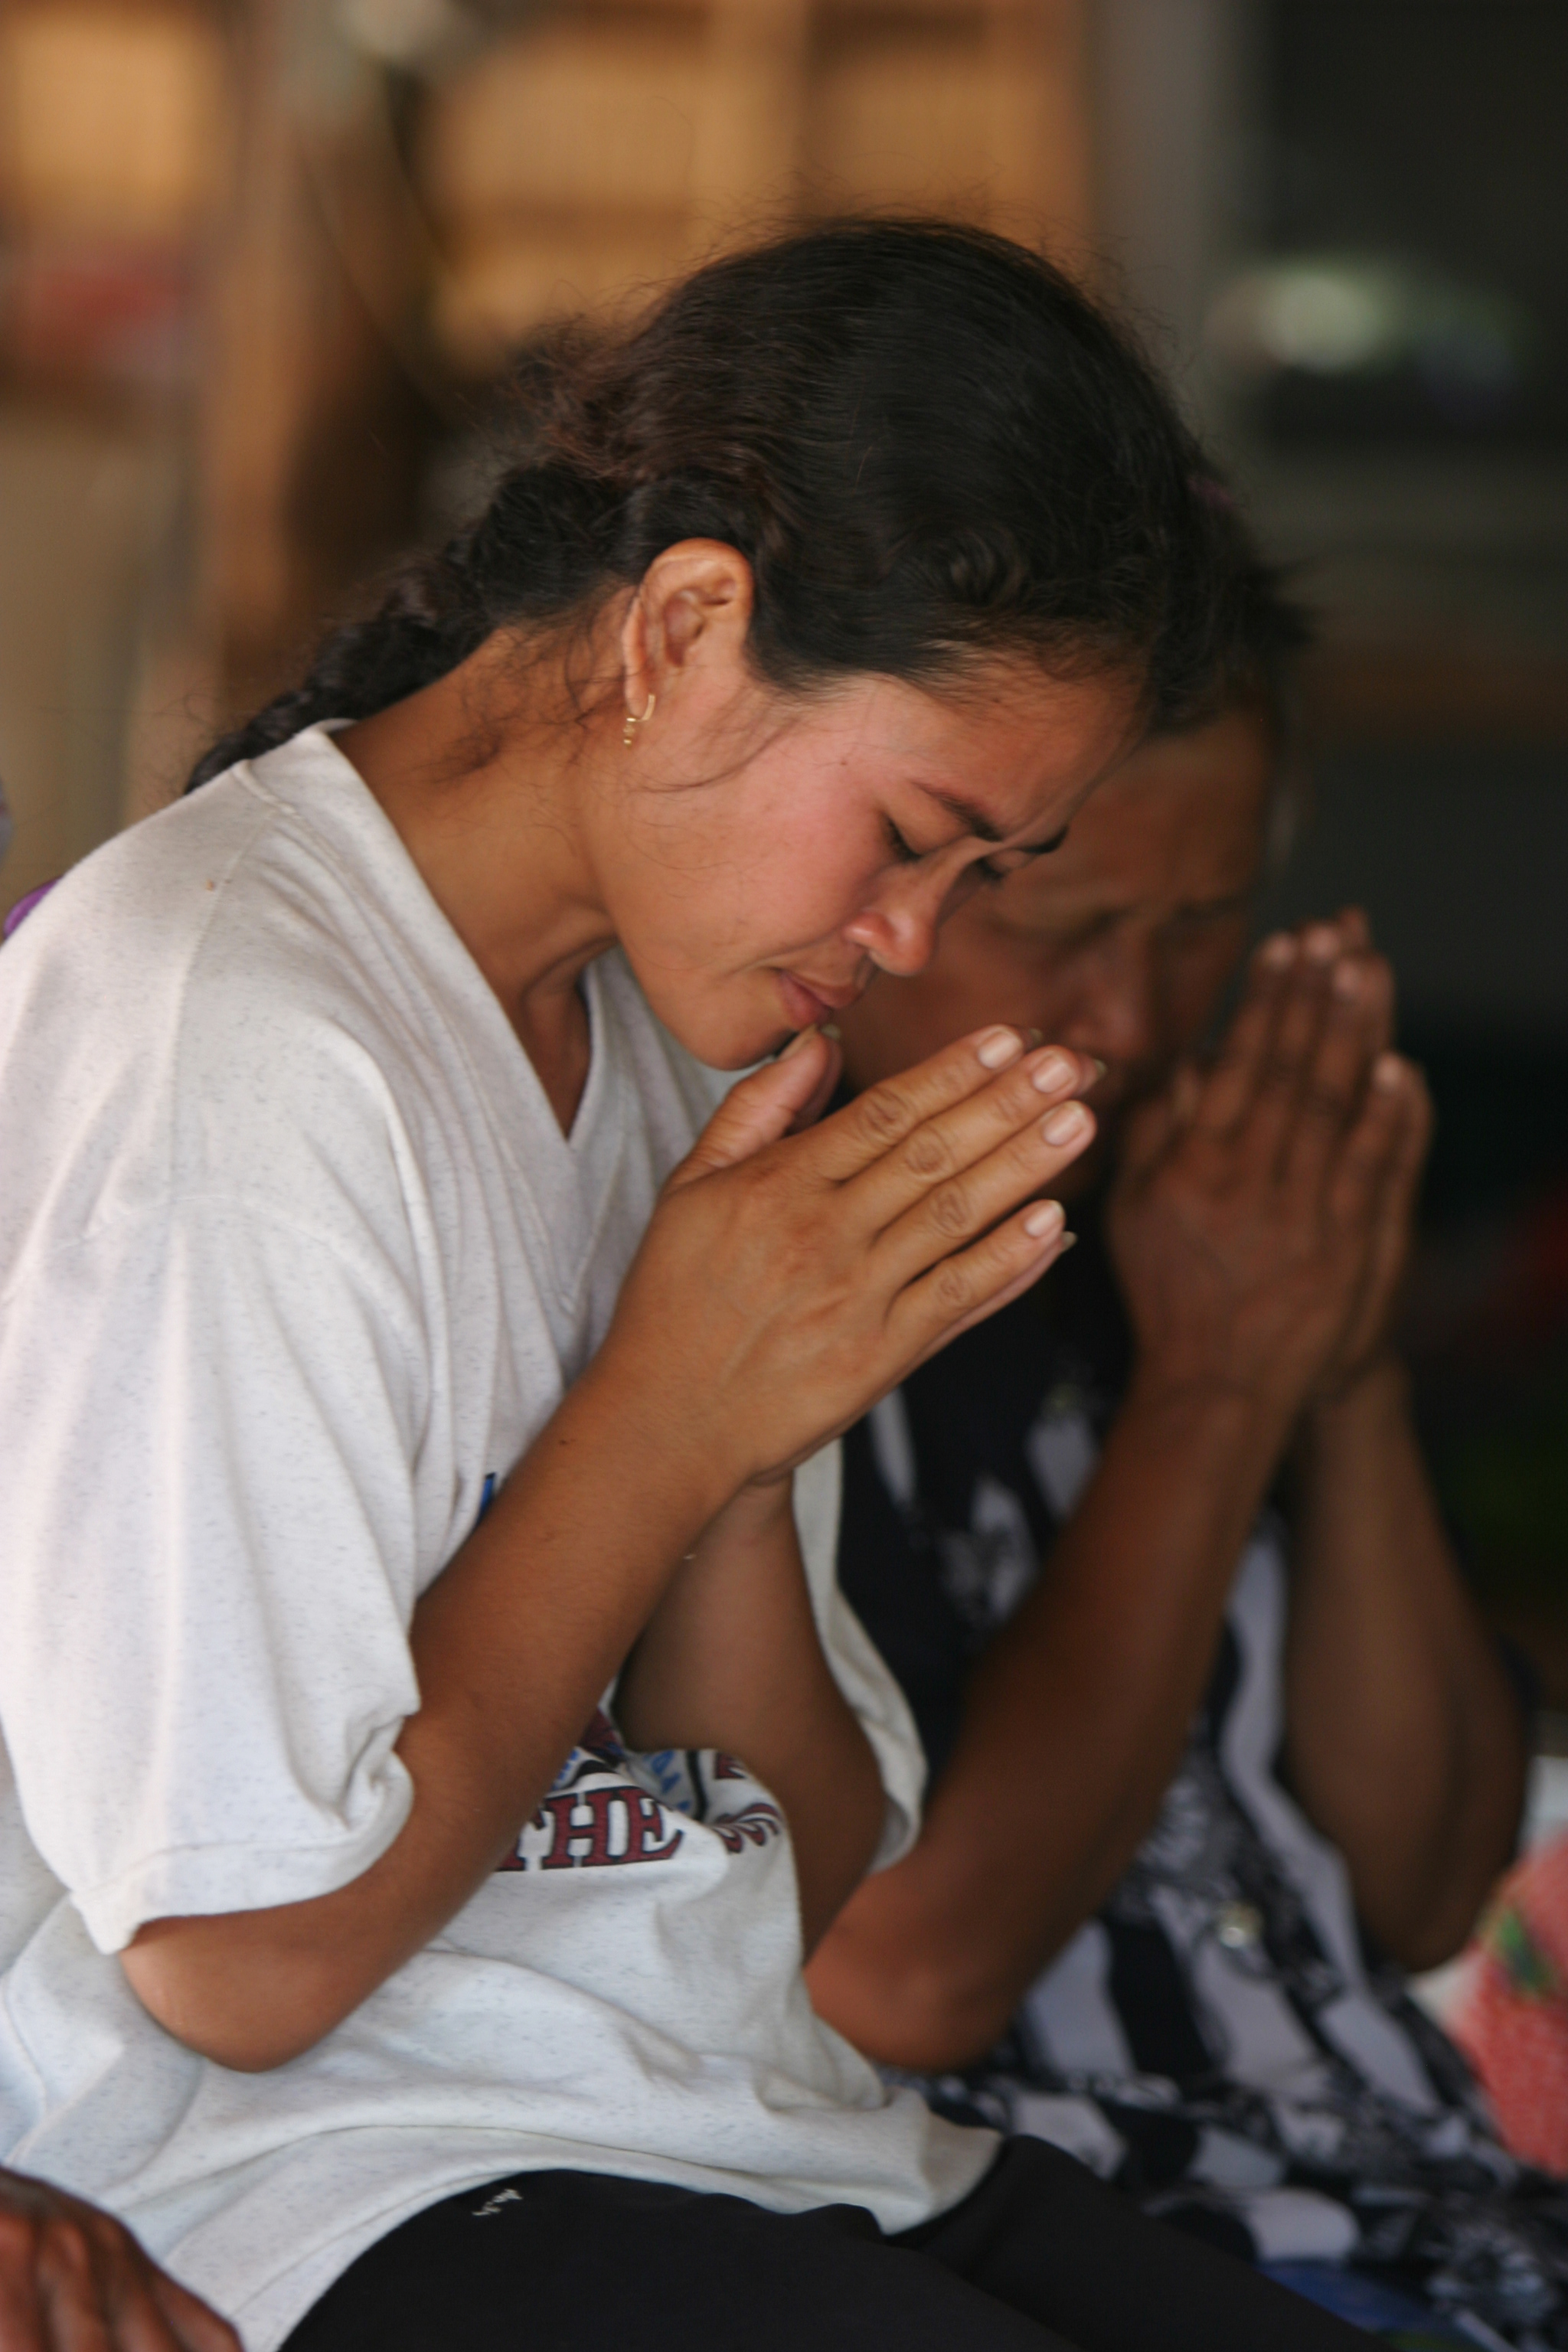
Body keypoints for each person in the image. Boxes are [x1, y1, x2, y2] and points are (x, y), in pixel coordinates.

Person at [0, 220, 1369, 2352]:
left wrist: (736, 1451)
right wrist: (663, 1415)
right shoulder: (239, 1025)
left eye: (979, 874)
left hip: (750, 2133)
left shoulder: (668, 1036)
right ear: (689, 632)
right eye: (913, 832)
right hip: (321, 2197)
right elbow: (238, 1964)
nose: (913, 942)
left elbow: (788, 1876)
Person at [807, 567, 1568, 2347]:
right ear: (877, 894)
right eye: (1065, 934)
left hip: (1433, 2215)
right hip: (1096, 2237)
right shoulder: (782, 1303)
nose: (1137, 1021)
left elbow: (1422, 1872)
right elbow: (903, 1969)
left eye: (1202, 926)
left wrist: (1336, 1360)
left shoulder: (1178, 1221)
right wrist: (1211, 1398)